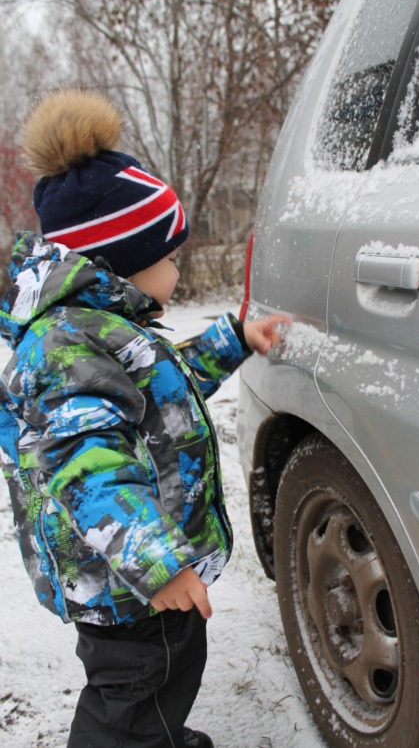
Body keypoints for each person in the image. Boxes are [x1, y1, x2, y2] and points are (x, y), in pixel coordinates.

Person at [0, 88, 289, 748]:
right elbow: (88, 468)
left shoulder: (101, 329)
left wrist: (235, 338)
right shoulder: (68, 345)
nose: (177, 268)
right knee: (132, 695)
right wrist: (158, 567)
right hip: (128, 585)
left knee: (161, 682)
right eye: (168, 255)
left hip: (131, 577)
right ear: (118, 263)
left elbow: (159, 392)